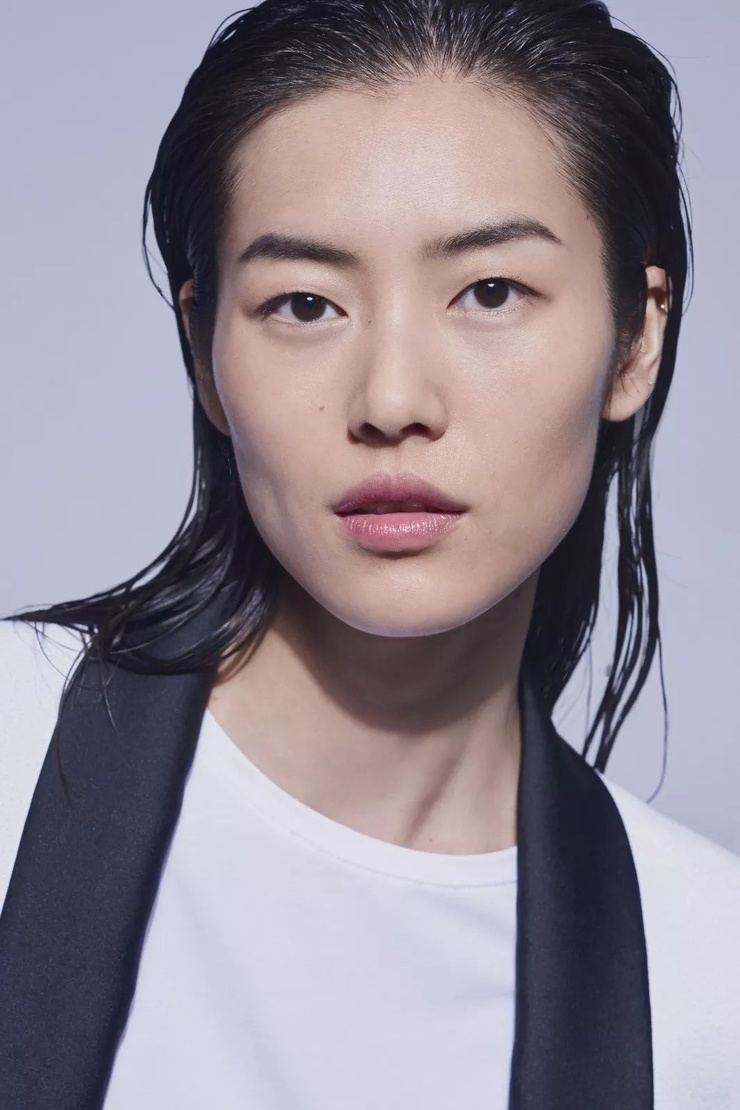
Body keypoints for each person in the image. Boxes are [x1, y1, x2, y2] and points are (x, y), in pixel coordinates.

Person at [1, 0, 738, 1106]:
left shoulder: (707, 982)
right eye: (305, 304)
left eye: (490, 292)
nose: (391, 401)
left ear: (636, 337)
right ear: (203, 350)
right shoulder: (14, 748)